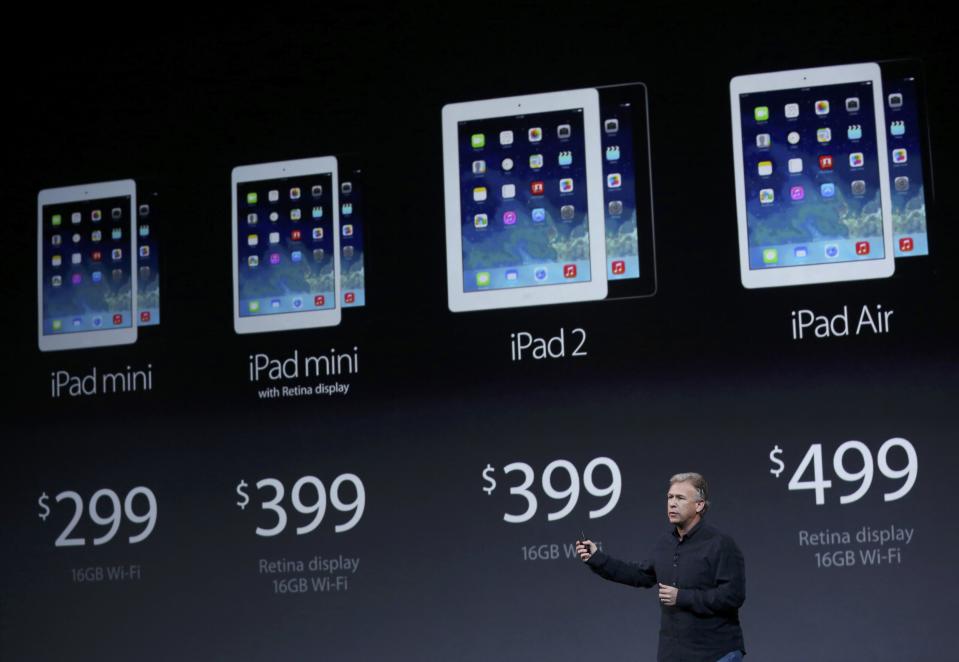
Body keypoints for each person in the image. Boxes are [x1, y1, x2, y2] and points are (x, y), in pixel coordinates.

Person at [576, 473, 746, 662]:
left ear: (699, 505)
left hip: (716, 654)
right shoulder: (665, 543)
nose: (672, 503)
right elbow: (640, 574)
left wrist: (682, 597)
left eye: (681, 498)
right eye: (670, 497)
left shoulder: (720, 544)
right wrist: (597, 558)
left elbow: (732, 596)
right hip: (674, 655)